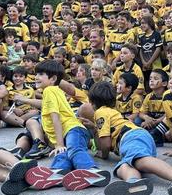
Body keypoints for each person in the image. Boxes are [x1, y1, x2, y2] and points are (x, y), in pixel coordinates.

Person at [86, 81, 172, 195]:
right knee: (124, 166)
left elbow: (106, 144)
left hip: (130, 137)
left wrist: (97, 137)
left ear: (92, 102)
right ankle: (134, 183)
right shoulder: (112, 111)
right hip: (138, 137)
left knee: (141, 161)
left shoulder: (100, 112)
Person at [22, 60, 111, 191]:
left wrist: (58, 144)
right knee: (63, 153)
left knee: (74, 149)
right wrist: (59, 145)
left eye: (41, 74)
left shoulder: (50, 90)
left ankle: (92, 171)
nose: (36, 77)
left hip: (73, 129)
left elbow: (55, 117)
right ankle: (58, 172)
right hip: (66, 132)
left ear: (52, 79)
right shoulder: (52, 90)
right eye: (36, 74)